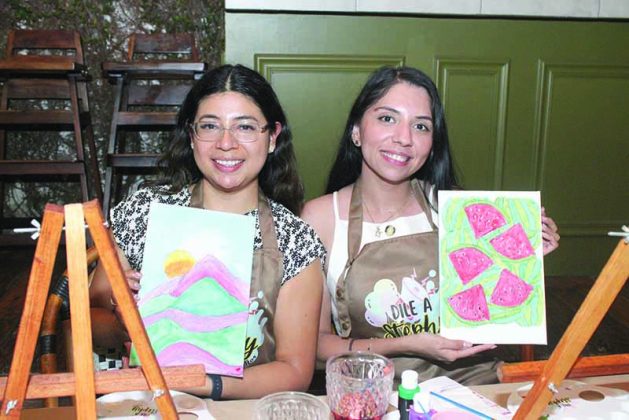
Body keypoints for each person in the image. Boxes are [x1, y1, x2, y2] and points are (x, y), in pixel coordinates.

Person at [302, 66, 560, 385]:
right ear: (356, 130)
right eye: (387, 118)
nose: (404, 138)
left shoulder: (455, 208)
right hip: (377, 394)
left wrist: (522, 260)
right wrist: (405, 345)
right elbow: (315, 346)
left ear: (433, 142)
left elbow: (490, 312)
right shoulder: (320, 218)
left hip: (476, 387)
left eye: (421, 126)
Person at [89, 64, 326, 399]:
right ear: (191, 135)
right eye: (210, 126)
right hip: (148, 403)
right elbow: (92, 318)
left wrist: (205, 383)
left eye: (245, 127)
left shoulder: (295, 240)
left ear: (272, 137)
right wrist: (118, 305)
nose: (226, 143)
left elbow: (295, 371)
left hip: (242, 408)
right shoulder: (146, 211)